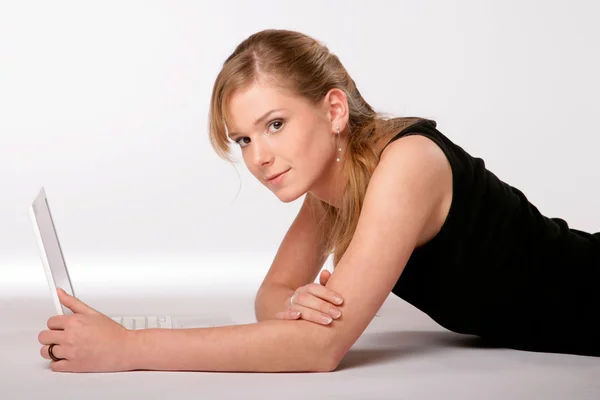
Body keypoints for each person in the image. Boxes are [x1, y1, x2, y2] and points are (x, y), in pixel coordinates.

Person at [38, 28, 600, 374]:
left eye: (275, 124)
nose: (259, 156)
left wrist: (129, 347)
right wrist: (294, 312)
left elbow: (318, 351)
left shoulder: (408, 165)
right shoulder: (331, 187)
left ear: (334, 112)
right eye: (244, 139)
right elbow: (271, 298)